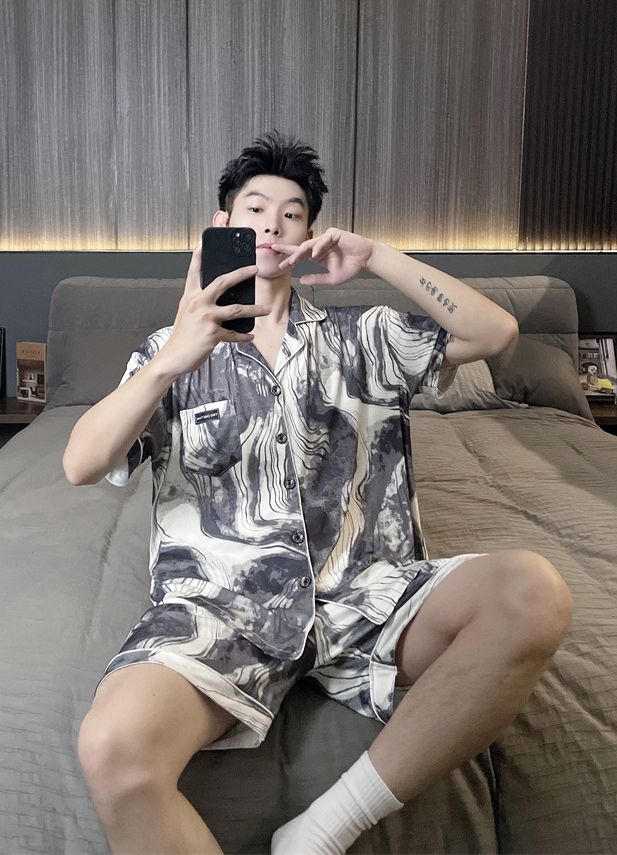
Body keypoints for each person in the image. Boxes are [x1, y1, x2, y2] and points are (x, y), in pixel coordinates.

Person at [64, 132, 573, 855]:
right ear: (220, 228)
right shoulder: (166, 354)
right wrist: (173, 358)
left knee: (533, 593)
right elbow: (81, 464)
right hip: (220, 609)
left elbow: (496, 331)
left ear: (307, 236)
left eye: (292, 213)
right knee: (111, 747)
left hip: (369, 595)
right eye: (254, 209)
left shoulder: (362, 338)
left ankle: (322, 830)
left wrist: (380, 257)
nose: (272, 224)